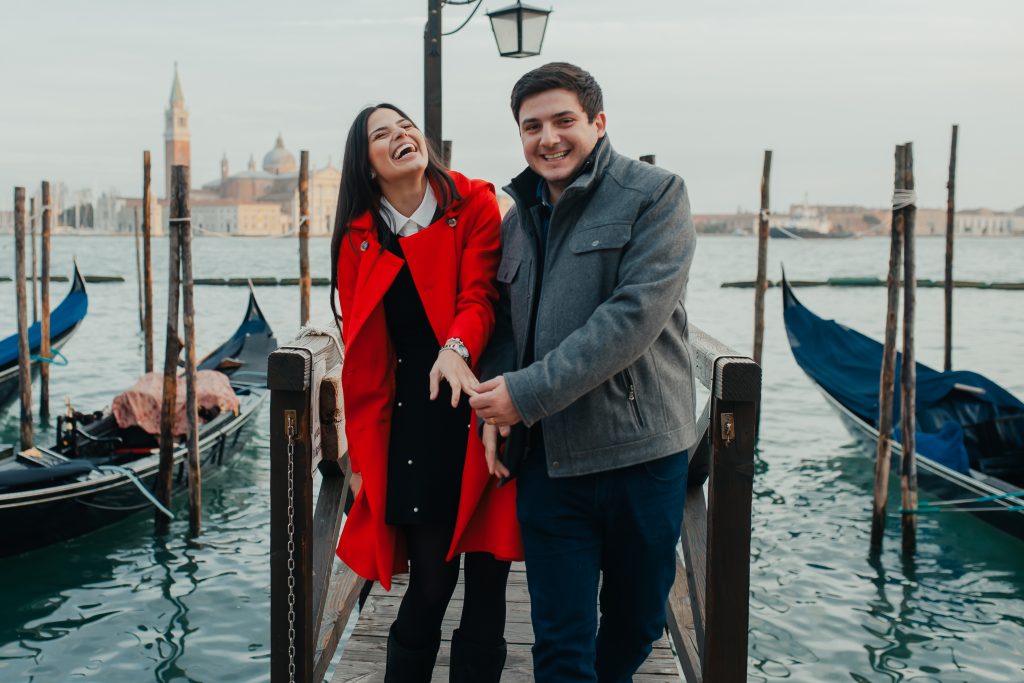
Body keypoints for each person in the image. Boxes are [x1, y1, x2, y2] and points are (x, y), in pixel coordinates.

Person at [469, 63, 698, 682]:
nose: (549, 138)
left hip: (641, 455)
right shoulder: (518, 221)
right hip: (551, 461)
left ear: (597, 122)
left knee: (637, 625)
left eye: (564, 120)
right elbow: (506, 327)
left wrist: (524, 394)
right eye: (532, 126)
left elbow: (631, 318)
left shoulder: (656, 194)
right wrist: (494, 405)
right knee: (561, 643)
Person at [330, 103, 522, 682]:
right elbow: (362, 358)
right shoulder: (358, 237)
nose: (400, 136)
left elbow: (482, 294)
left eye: (405, 125)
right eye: (380, 135)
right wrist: (361, 457)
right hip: (413, 425)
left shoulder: (475, 202)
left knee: (489, 586)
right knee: (430, 589)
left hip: (487, 411)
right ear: (366, 164)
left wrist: (456, 346)